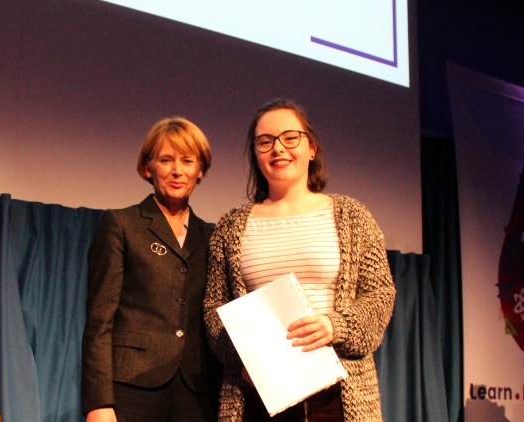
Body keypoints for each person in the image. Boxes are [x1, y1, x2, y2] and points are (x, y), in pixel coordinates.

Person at [204, 99, 395, 422]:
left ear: (312, 148)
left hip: (337, 395)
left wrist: (336, 326)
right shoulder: (231, 227)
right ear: (256, 154)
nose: (278, 148)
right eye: (265, 142)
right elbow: (213, 311)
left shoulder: (353, 216)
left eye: (290, 137)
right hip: (257, 395)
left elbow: (380, 297)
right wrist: (244, 359)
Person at [81, 117, 216, 422]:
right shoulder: (121, 224)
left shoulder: (211, 238)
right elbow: (99, 322)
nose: (177, 170)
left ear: (200, 170)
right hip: (131, 386)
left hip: (196, 390)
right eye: (166, 160)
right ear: (147, 168)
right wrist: (98, 403)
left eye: (187, 160)